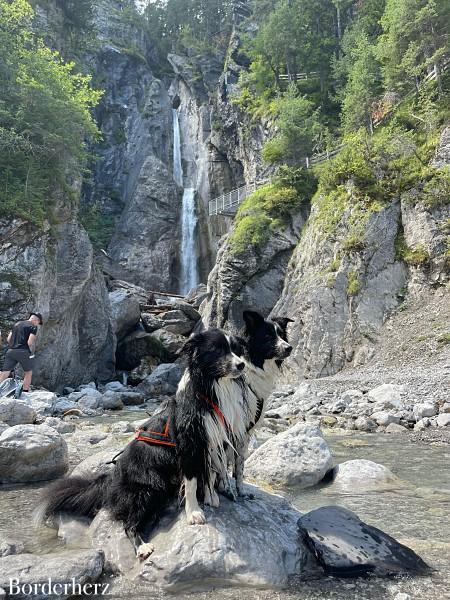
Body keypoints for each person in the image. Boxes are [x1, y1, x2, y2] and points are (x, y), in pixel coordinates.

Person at [0, 312, 43, 393]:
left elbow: (9, 339)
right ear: (36, 320)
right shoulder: (33, 327)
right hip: (23, 351)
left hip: (11, 351)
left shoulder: (17, 324)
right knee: (28, 372)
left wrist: (15, 345)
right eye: (38, 322)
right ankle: (25, 392)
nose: (37, 324)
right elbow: (29, 342)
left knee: (5, 372)